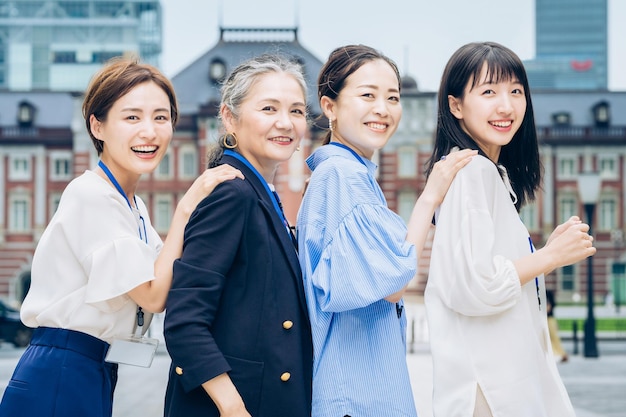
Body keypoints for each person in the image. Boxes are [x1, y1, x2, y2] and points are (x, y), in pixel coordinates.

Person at [0, 57, 242, 417]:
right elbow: (153, 294)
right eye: (132, 117)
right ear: (97, 127)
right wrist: (186, 206)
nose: (149, 131)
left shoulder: (133, 206)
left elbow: (171, 274)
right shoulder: (90, 195)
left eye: (161, 117)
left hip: (92, 368)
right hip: (61, 371)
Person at [296, 44, 476, 417]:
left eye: (392, 97)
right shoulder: (344, 176)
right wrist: (430, 196)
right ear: (329, 106)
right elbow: (392, 284)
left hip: (354, 388)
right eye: (367, 96)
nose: (383, 109)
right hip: (355, 393)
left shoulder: (348, 173)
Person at [424, 41, 596, 416]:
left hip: (497, 385)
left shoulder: (490, 174)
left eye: (515, 91)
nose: (506, 106)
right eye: (489, 92)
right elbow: (475, 286)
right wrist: (549, 257)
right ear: (456, 105)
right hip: (489, 391)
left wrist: (541, 255)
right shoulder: (473, 171)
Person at [163, 54, 313, 417]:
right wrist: (232, 408)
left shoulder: (258, 190)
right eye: (268, 108)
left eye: (296, 111)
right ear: (230, 117)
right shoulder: (231, 192)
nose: (285, 123)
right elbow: (184, 321)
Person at [547, 289, 569, 362]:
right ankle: (558, 354)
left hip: (549, 318)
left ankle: (561, 354)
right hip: (547, 318)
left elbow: (551, 306)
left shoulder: (548, 293)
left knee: (554, 337)